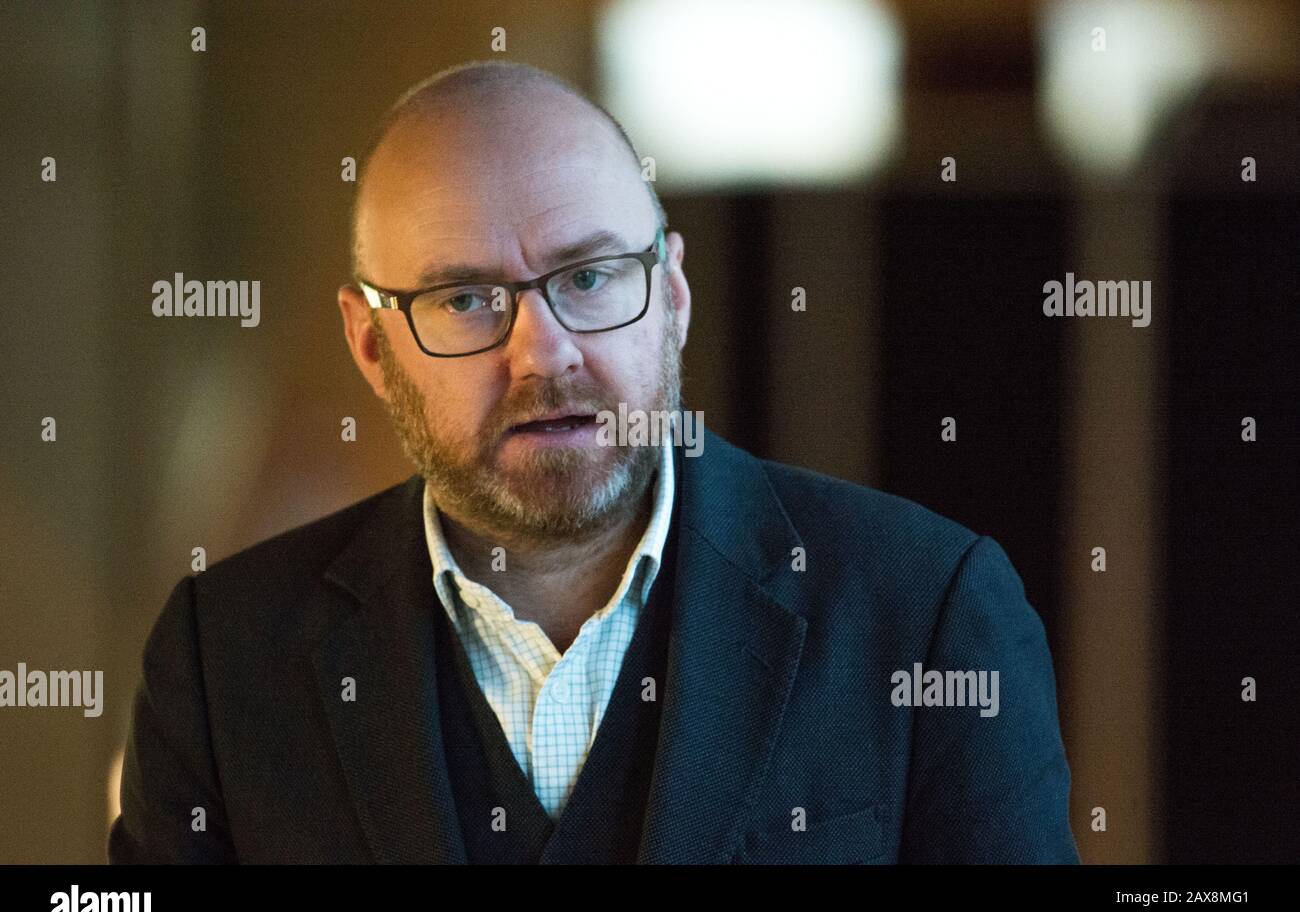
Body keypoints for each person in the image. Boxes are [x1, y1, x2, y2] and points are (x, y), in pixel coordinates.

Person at [109, 59, 1080, 864]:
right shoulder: (223, 659)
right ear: (371, 344)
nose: (545, 352)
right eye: (465, 298)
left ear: (674, 294)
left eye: (588, 276)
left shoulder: (927, 615)